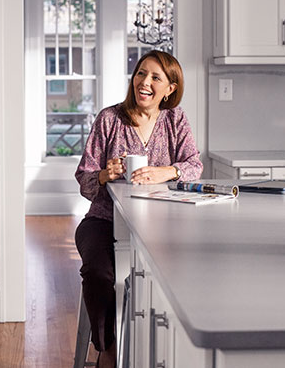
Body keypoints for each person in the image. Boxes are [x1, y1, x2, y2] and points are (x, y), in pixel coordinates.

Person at [74, 50, 203, 368]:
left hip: (162, 224)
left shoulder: (175, 120)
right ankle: (109, 350)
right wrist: (105, 174)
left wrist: (168, 171)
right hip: (104, 220)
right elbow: (84, 179)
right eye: (140, 74)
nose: (144, 82)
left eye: (155, 77)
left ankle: (163, 351)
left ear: (170, 89)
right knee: (100, 274)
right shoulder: (109, 119)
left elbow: (193, 165)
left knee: (177, 279)